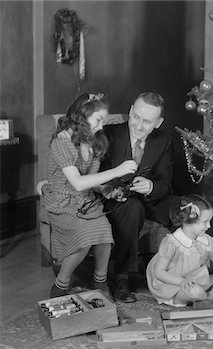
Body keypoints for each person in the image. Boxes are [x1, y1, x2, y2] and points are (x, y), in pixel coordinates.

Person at [41, 93, 137, 298]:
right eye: (98, 120)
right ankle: (61, 284)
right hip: (62, 202)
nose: (102, 126)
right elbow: (77, 183)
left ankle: (99, 280)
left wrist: (106, 190)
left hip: (85, 201)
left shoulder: (92, 142)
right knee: (85, 236)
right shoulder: (61, 142)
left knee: (104, 235)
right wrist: (117, 171)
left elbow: (90, 182)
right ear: (82, 116)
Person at [100, 92, 176, 303]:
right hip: (116, 200)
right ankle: (122, 277)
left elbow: (165, 183)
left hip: (149, 199)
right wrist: (112, 189)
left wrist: (151, 186)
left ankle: (182, 273)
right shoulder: (108, 135)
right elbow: (95, 175)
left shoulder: (164, 141)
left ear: (158, 122)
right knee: (132, 208)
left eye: (148, 122)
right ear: (131, 111)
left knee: (186, 207)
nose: (139, 126)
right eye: (136, 117)